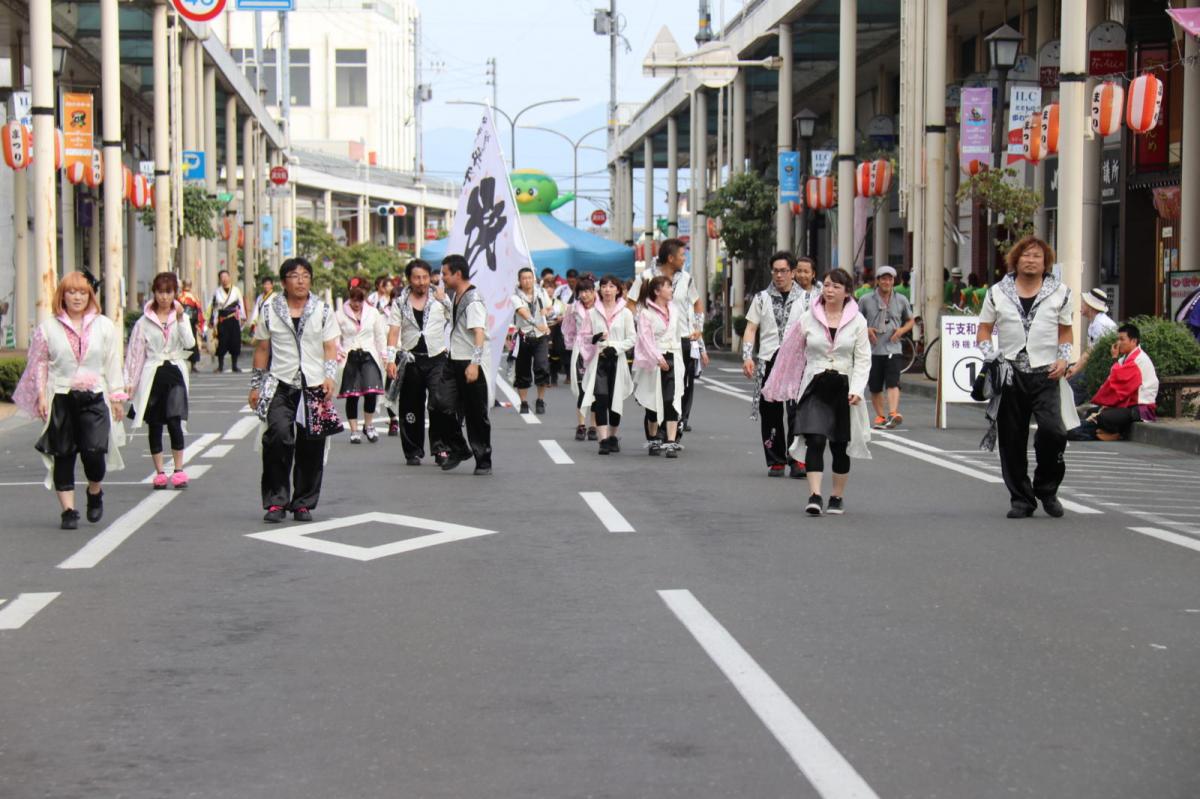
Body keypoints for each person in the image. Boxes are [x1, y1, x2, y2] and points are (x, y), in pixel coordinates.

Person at [13, 272, 127, 529]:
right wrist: (41, 396)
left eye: (83, 293)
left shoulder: (104, 326)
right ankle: (68, 511)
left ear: (90, 296)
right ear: (62, 295)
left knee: (94, 453)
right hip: (61, 395)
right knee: (63, 454)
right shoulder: (48, 328)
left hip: (95, 396)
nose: (77, 297)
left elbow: (112, 362)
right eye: (71, 292)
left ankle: (95, 490)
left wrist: (117, 396)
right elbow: (39, 363)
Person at [976, 235, 1078, 519]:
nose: (1031, 260)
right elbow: (984, 329)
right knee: (1011, 440)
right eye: (1026, 255)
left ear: (1046, 262)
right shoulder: (997, 291)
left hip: (1046, 373)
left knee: (1054, 432)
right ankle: (1021, 499)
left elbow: (1065, 331)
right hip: (1010, 373)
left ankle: (1047, 488)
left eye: (1037, 256)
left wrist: (1063, 358)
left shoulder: (1060, 292)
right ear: (1016, 259)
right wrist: (991, 356)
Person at [763, 268, 872, 516]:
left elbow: (863, 359)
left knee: (839, 445)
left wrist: (857, 389)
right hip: (814, 384)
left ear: (847, 293)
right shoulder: (808, 318)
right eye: (828, 285)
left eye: (836, 287)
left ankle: (837, 496)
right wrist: (782, 384)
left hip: (844, 386)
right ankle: (815, 495)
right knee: (815, 439)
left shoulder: (858, 321)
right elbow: (789, 353)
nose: (830, 290)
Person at [248, 257, 342, 523]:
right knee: (277, 437)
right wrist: (255, 386)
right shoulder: (269, 309)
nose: (300, 280)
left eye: (305, 275)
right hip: (281, 382)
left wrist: (329, 377)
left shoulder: (322, 310)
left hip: (313, 384)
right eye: (294, 275)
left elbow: (330, 347)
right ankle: (276, 501)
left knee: (311, 444)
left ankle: (303, 502)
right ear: (283, 282)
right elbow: (262, 348)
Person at [742, 251, 810, 478]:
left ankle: (797, 459)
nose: (779, 275)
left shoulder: (807, 299)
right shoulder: (761, 298)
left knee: (797, 412)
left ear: (792, 272)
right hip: (768, 360)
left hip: (797, 362)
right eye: (775, 271)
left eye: (784, 271)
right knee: (770, 412)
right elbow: (751, 328)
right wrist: (747, 356)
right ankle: (776, 460)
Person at [125, 272, 195, 490]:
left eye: (168, 292)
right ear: (154, 293)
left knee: (175, 420)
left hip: (174, 372)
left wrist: (182, 319)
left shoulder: (180, 317)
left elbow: (190, 342)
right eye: (160, 292)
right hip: (152, 374)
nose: (164, 297)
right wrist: (129, 383)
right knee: (154, 424)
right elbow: (135, 353)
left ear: (175, 293)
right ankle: (159, 472)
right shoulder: (143, 322)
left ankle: (179, 469)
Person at [629, 239, 707, 433]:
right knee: (654, 388)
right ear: (671, 258)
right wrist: (643, 324)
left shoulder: (687, 278)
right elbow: (630, 304)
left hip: (682, 339)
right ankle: (654, 429)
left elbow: (697, 304)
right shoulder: (646, 276)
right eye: (682, 255)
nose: (684, 259)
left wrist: (698, 327)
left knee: (681, 386)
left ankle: (674, 427)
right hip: (653, 342)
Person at [386, 259, 456, 466]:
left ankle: (441, 448)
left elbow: (455, 321)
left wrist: (445, 301)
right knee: (410, 407)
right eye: (417, 278)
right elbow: (393, 331)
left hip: (437, 358)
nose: (422, 282)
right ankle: (413, 450)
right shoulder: (400, 302)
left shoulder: (440, 298)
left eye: (425, 277)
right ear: (409, 279)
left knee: (439, 403)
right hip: (411, 359)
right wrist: (390, 359)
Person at [439, 254, 492, 475]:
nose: (442, 278)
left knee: (475, 414)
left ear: (457, 274)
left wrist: (475, 363)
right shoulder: (456, 296)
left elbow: (479, 333)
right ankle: (459, 448)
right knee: (440, 405)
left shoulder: (473, 299)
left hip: (470, 362)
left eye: (445, 274)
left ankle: (483, 460)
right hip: (453, 360)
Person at [1071, 323, 1159, 441]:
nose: (1118, 343)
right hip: (1128, 405)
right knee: (1092, 412)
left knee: (1103, 417)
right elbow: (1116, 380)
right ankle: (1103, 432)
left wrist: (1114, 358)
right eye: (1118, 339)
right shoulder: (1125, 358)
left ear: (1133, 341)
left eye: (1122, 339)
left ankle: (1111, 433)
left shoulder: (1139, 360)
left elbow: (1120, 386)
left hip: (1140, 409)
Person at [581, 274, 635, 454]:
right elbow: (584, 337)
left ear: (618, 290)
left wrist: (617, 347)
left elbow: (632, 338)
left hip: (617, 360)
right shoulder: (592, 313)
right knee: (601, 399)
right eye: (604, 286)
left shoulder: (626, 313)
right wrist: (595, 338)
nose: (607, 290)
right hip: (600, 361)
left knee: (616, 400)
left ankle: (613, 436)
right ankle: (603, 439)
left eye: (612, 286)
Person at [633, 275, 686, 458]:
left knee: (672, 400)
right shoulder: (646, 313)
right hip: (653, 361)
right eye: (668, 287)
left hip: (673, 356)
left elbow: (678, 334)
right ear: (657, 291)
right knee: (653, 402)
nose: (671, 290)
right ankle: (654, 438)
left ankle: (671, 441)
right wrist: (657, 358)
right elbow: (645, 340)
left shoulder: (675, 310)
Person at [858, 264, 914, 429]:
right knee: (875, 385)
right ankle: (881, 416)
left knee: (893, 382)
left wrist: (901, 330)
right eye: (883, 278)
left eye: (889, 279)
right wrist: (867, 329)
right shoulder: (866, 300)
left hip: (893, 348)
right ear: (878, 281)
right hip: (873, 349)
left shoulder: (901, 299)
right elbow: (855, 321)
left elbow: (910, 320)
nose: (886, 281)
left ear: (893, 281)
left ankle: (893, 413)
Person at [336, 277, 388, 445]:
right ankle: (354, 430)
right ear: (349, 298)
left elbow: (380, 336)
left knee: (371, 392)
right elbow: (335, 337)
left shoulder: (373, 313)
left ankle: (369, 424)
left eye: (359, 300)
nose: (356, 304)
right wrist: (339, 351)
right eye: (353, 300)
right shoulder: (339, 314)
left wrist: (384, 355)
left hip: (369, 355)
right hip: (349, 355)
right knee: (353, 394)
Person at [1065, 287, 1118, 404]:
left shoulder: (1099, 324)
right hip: (1098, 364)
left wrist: (1075, 369)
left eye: (1084, 303)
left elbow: (1090, 353)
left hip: (1103, 367)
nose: (1081, 305)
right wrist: (1074, 367)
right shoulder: (1096, 322)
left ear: (1090, 306)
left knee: (1074, 383)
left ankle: (1072, 416)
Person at [511, 266, 552, 414]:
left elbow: (550, 307)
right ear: (519, 281)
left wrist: (546, 311)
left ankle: (540, 400)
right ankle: (523, 402)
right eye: (524, 278)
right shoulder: (515, 297)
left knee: (542, 367)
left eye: (530, 278)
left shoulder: (541, 292)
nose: (527, 281)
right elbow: (524, 313)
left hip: (541, 337)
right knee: (522, 371)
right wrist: (538, 324)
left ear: (533, 279)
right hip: (524, 336)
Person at [562, 276, 599, 441]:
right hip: (579, 351)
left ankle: (594, 426)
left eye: (587, 291)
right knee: (582, 390)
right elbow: (568, 329)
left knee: (597, 390)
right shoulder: (573, 309)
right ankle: (581, 425)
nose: (584, 295)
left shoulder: (601, 308)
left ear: (593, 292)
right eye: (581, 292)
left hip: (597, 350)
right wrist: (570, 346)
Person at [209, 270, 246, 373]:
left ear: (229, 277)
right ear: (220, 279)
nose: (224, 279)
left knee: (235, 341)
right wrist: (212, 320)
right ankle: (220, 366)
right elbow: (214, 307)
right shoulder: (217, 292)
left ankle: (235, 365)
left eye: (226, 276)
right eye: (222, 277)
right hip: (222, 318)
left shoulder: (236, 290)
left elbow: (241, 304)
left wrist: (243, 317)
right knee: (222, 342)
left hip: (233, 318)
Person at [178, 279, 205, 371]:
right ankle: (193, 365)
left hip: (182, 322)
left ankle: (186, 363)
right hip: (192, 322)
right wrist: (199, 323)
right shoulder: (194, 297)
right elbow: (199, 311)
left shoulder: (179, 297)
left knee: (182, 342)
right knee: (192, 342)